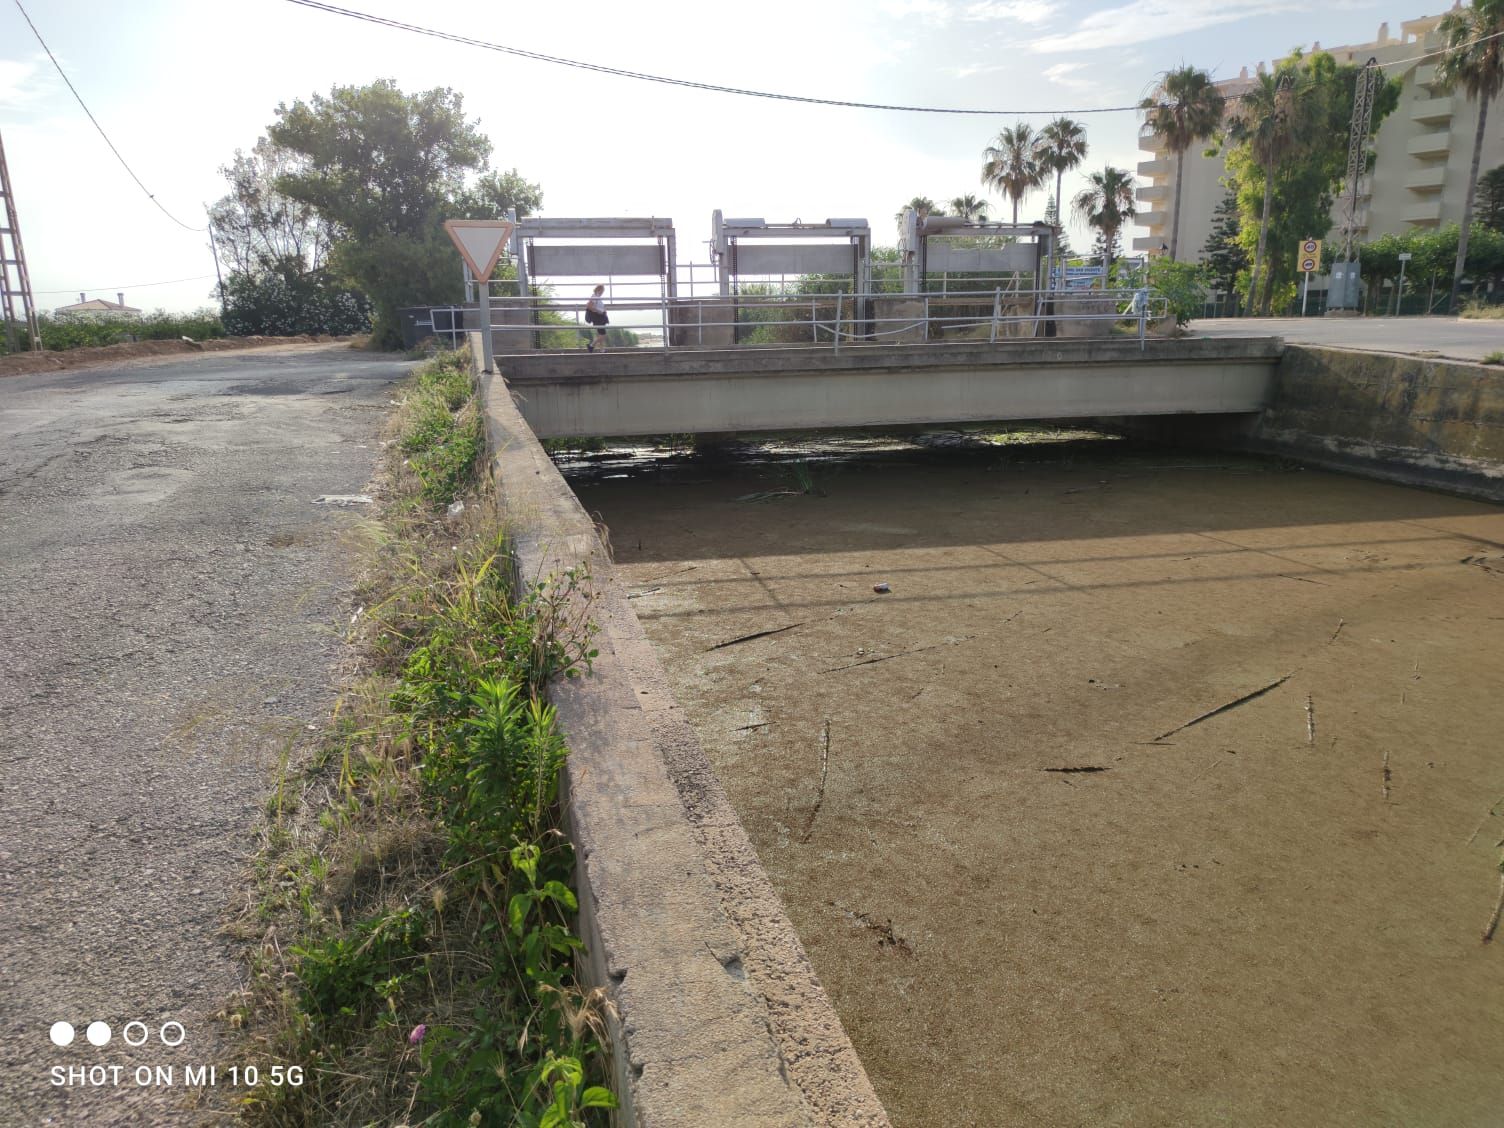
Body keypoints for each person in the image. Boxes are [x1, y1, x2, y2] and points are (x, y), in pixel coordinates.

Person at [584, 284, 608, 352]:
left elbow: (596, 306)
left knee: (601, 334)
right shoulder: (595, 296)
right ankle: (591, 346)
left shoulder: (597, 297)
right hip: (598, 318)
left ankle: (602, 350)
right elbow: (588, 306)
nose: (602, 292)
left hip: (600, 318)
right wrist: (598, 311)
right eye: (602, 291)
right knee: (603, 335)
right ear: (599, 290)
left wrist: (603, 310)